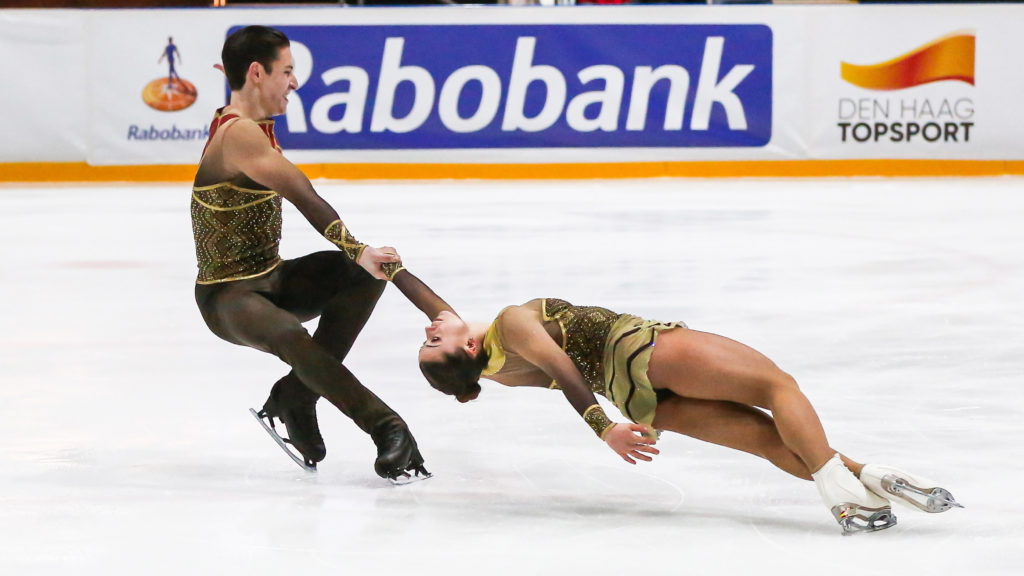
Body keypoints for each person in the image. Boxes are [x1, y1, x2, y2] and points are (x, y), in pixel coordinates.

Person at [387, 266, 962, 533]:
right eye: (432, 340)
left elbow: (428, 302)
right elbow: (564, 368)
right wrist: (601, 430)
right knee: (776, 387)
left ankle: (866, 482)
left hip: (636, 400)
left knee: (767, 440)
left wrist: (381, 264)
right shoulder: (511, 324)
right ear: (464, 346)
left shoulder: (499, 373)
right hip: (642, 352)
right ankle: (847, 491)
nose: (429, 328)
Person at [191, 25, 426, 481]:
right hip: (228, 297)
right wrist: (358, 248)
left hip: (271, 277)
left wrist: (359, 262)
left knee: (360, 277)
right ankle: (387, 427)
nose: (295, 81)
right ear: (257, 72)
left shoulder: (250, 124)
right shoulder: (237, 134)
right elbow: (304, 195)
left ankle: (296, 397)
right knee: (290, 334)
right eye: (288, 70)